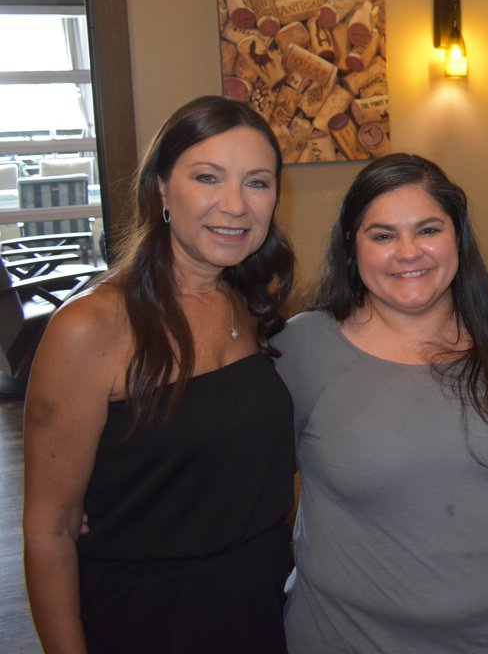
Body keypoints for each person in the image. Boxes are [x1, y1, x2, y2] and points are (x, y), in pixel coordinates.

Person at [23, 96, 296, 653]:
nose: (235, 205)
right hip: (149, 618)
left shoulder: (252, 306)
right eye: (207, 177)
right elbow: (50, 531)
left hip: (265, 601)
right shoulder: (90, 328)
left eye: (257, 182)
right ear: (162, 190)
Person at [273, 153, 488, 653]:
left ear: (458, 237)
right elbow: (239, 491)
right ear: (352, 245)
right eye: (382, 235)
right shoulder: (303, 349)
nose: (408, 252)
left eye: (428, 230)